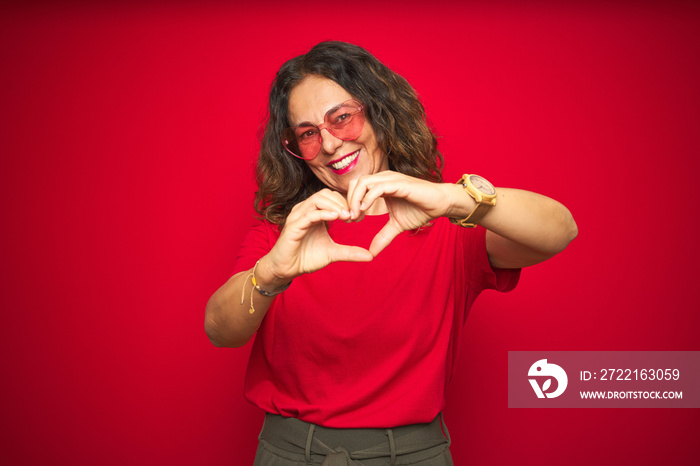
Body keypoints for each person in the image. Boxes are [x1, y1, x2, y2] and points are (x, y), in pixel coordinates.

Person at [205, 41, 577, 465]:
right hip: (291, 452)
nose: (329, 144)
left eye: (342, 118)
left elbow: (560, 231)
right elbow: (220, 330)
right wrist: (271, 272)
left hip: (411, 454)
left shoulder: (449, 227)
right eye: (308, 133)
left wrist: (456, 199)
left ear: (379, 113)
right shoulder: (284, 232)